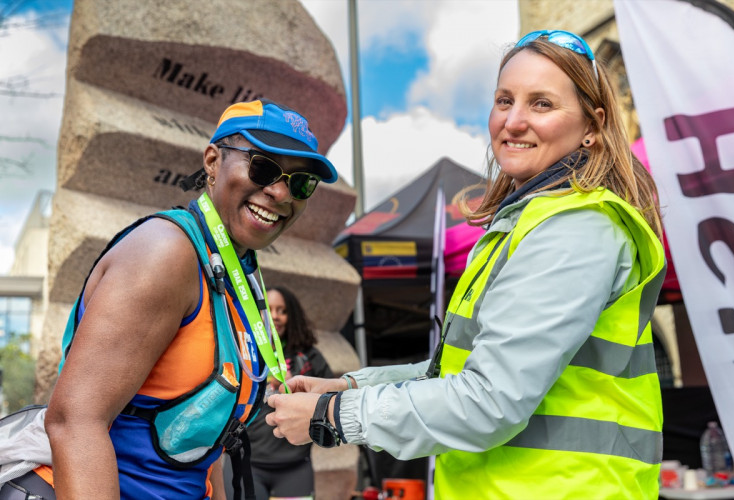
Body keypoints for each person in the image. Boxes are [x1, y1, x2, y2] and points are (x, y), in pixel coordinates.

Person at [266, 30, 666, 499]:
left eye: (541, 104)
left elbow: (488, 401)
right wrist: (345, 386)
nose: (513, 121)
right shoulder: (529, 222)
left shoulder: (574, 227)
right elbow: (460, 374)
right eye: (504, 100)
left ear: (593, 125)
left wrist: (333, 416)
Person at [0, 98, 337, 500]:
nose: (281, 192)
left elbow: (205, 436)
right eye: (262, 167)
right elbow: (75, 421)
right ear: (212, 161)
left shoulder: (235, 272)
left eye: (301, 183)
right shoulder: (165, 253)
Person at [232, 287, 332, 500]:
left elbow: (332, 398)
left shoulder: (309, 357)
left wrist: (296, 392)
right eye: (268, 310)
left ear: (292, 316)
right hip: (245, 462)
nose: (275, 316)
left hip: (295, 466)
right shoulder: (242, 351)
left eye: (282, 311)